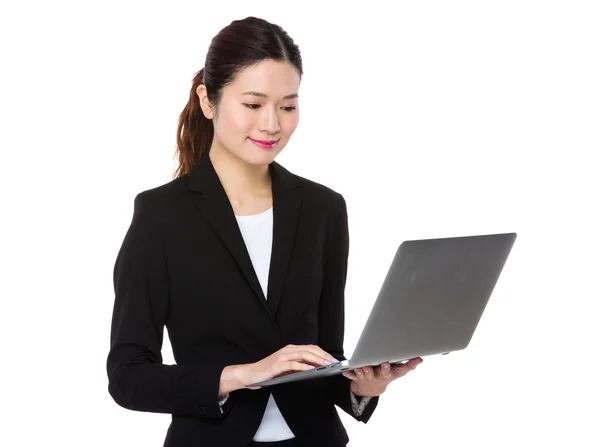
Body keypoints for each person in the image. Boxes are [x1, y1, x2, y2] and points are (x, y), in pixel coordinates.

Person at [106, 16, 423, 447]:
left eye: (288, 106)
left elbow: (324, 358)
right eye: (253, 105)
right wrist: (246, 375)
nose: (272, 124)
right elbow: (128, 377)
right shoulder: (161, 215)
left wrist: (363, 386)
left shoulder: (324, 209)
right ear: (208, 100)